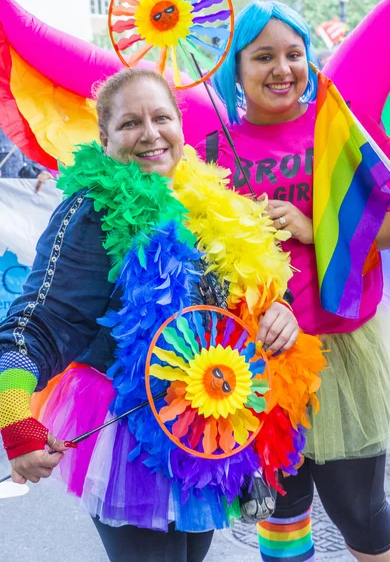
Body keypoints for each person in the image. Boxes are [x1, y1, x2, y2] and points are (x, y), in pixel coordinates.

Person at [0, 68, 306, 562]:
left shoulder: (208, 204)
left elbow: (245, 296)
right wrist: (14, 418)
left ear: (180, 127)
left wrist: (280, 314)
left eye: (161, 117)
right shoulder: (92, 213)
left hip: (205, 429)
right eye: (129, 123)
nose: (149, 134)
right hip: (132, 439)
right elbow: (35, 325)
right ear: (104, 139)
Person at [196, 0, 390, 562]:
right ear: (235, 69)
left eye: (293, 54)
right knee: (279, 512)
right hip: (255, 361)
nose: (282, 68)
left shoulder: (337, 125)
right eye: (263, 57)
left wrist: (314, 229)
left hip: (337, 356)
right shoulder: (211, 149)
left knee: (361, 513)